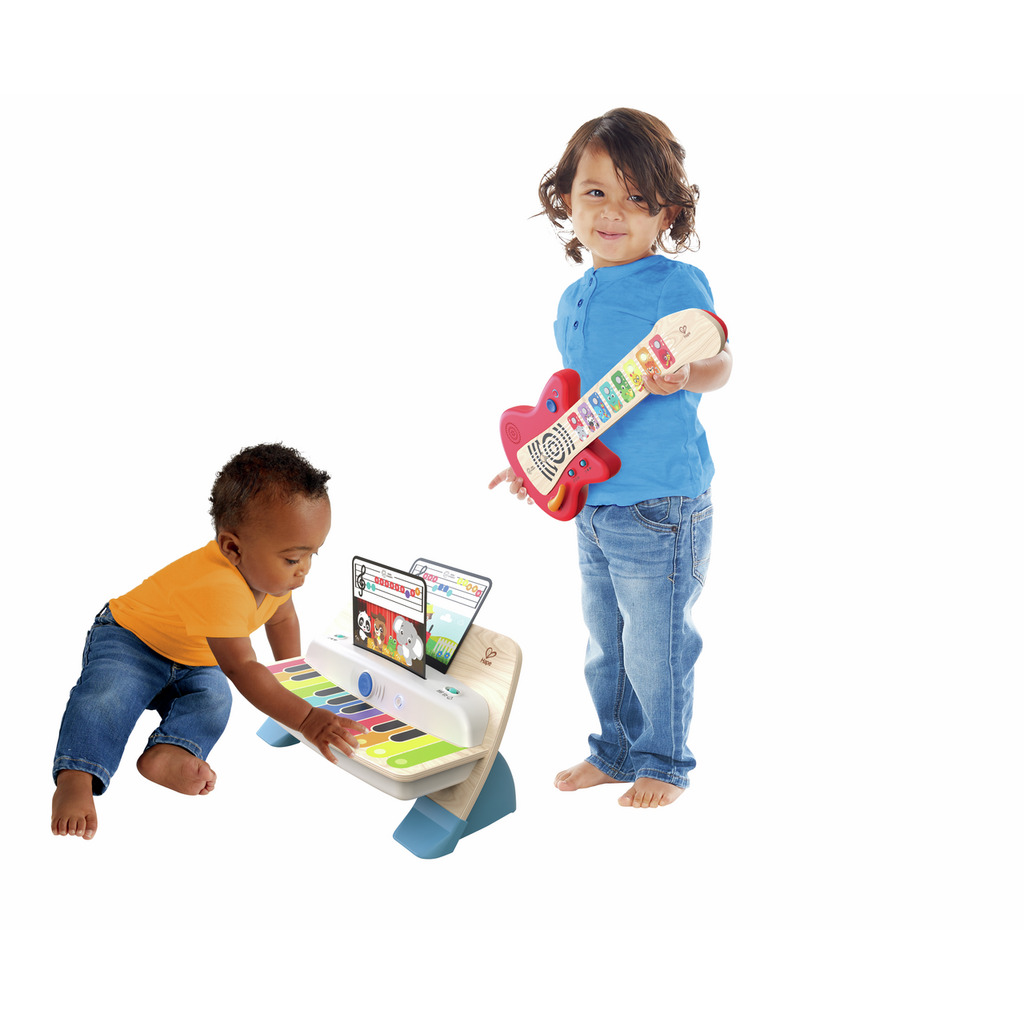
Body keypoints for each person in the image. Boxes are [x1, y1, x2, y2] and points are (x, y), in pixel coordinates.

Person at [490, 108, 732, 808]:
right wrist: (539, 462)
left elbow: (721, 361)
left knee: (656, 647)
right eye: (595, 192)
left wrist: (689, 375)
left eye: (637, 198)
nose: (612, 212)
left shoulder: (675, 286)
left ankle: (665, 761)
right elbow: (577, 406)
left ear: (667, 214)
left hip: (659, 502)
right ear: (565, 200)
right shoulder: (574, 296)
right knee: (606, 645)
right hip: (592, 502)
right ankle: (616, 750)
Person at [51, 442, 363, 839]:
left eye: (311, 555)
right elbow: (242, 667)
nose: (303, 570)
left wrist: (291, 680)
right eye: (292, 558)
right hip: (133, 639)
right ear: (233, 548)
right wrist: (305, 718)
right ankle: (77, 777)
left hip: (196, 657)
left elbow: (282, 618)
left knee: (214, 699)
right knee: (108, 695)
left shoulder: (272, 578)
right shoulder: (220, 585)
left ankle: (171, 751)